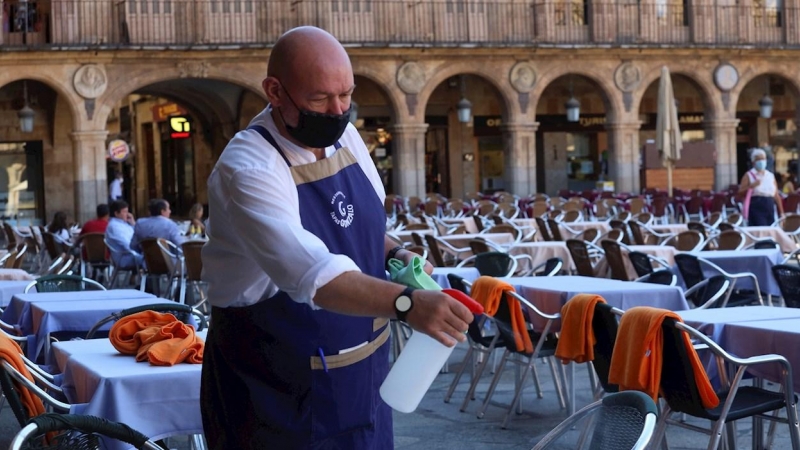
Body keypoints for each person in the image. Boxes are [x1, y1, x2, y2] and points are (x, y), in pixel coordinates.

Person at [200, 26, 473, 449]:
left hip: (363, 377)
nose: (337, 110)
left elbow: (357, 228)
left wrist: (396, 252)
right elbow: (314, 275)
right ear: (274, 90)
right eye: (319, 99)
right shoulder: (249, 168)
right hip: (277, 390)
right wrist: (408, 304)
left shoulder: (344, 135)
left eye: (346, 94)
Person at [739, 148, 784, 226]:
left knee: (770, 229)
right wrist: (751, 186)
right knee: (761, 229)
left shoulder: (770, 176)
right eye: (758, 159)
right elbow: (740, 193)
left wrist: (781, 212)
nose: (761, 161)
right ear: (753, 162)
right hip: (756, 206)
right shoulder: (749, 175)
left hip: (769, 206)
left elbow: (776, 195)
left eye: (763, 158)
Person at [105, 200, 142, 269]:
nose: (128, 214)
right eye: (125, 212)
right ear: (116, 213)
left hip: (132, 254)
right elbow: (127, 244)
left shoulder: (125, 224)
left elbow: (137, 236)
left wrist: (133, 224)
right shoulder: (114, 227)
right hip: (125, 257)